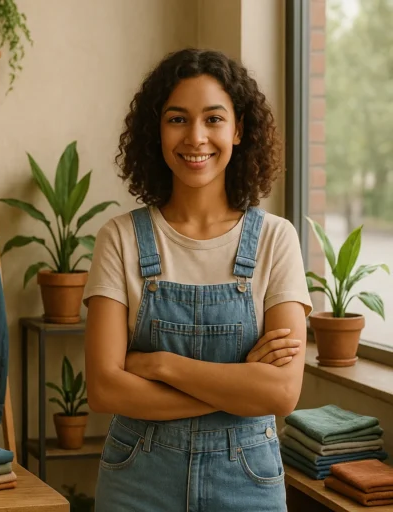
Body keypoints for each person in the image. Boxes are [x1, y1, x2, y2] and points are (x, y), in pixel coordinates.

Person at [83, 48, 313, 511]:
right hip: (137, 482)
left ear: (239, 129)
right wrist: (238, 387)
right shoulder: (120, 238)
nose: (196, 137)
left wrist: (160, 366)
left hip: (247, 481)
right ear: (157, 130)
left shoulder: (276, 239)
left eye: (213, 119)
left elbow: (282, 393)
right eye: (177, 119)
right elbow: (106, 389)